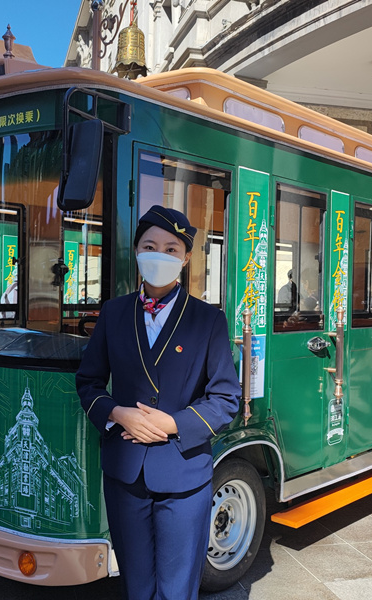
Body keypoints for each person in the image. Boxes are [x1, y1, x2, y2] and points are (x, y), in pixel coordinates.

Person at [76, 205, 240, 600]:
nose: (159, 256)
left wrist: (172, 424)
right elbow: (88, 381)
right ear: (136, 253)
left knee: (177, 587)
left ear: (185, 259)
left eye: (170, 249)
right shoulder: (114, 313)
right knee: (136, 583)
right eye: (149, 246)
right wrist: (118, 414)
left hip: (184, 473)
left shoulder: (207, 320)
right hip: (125, 472)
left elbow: (226, 399)